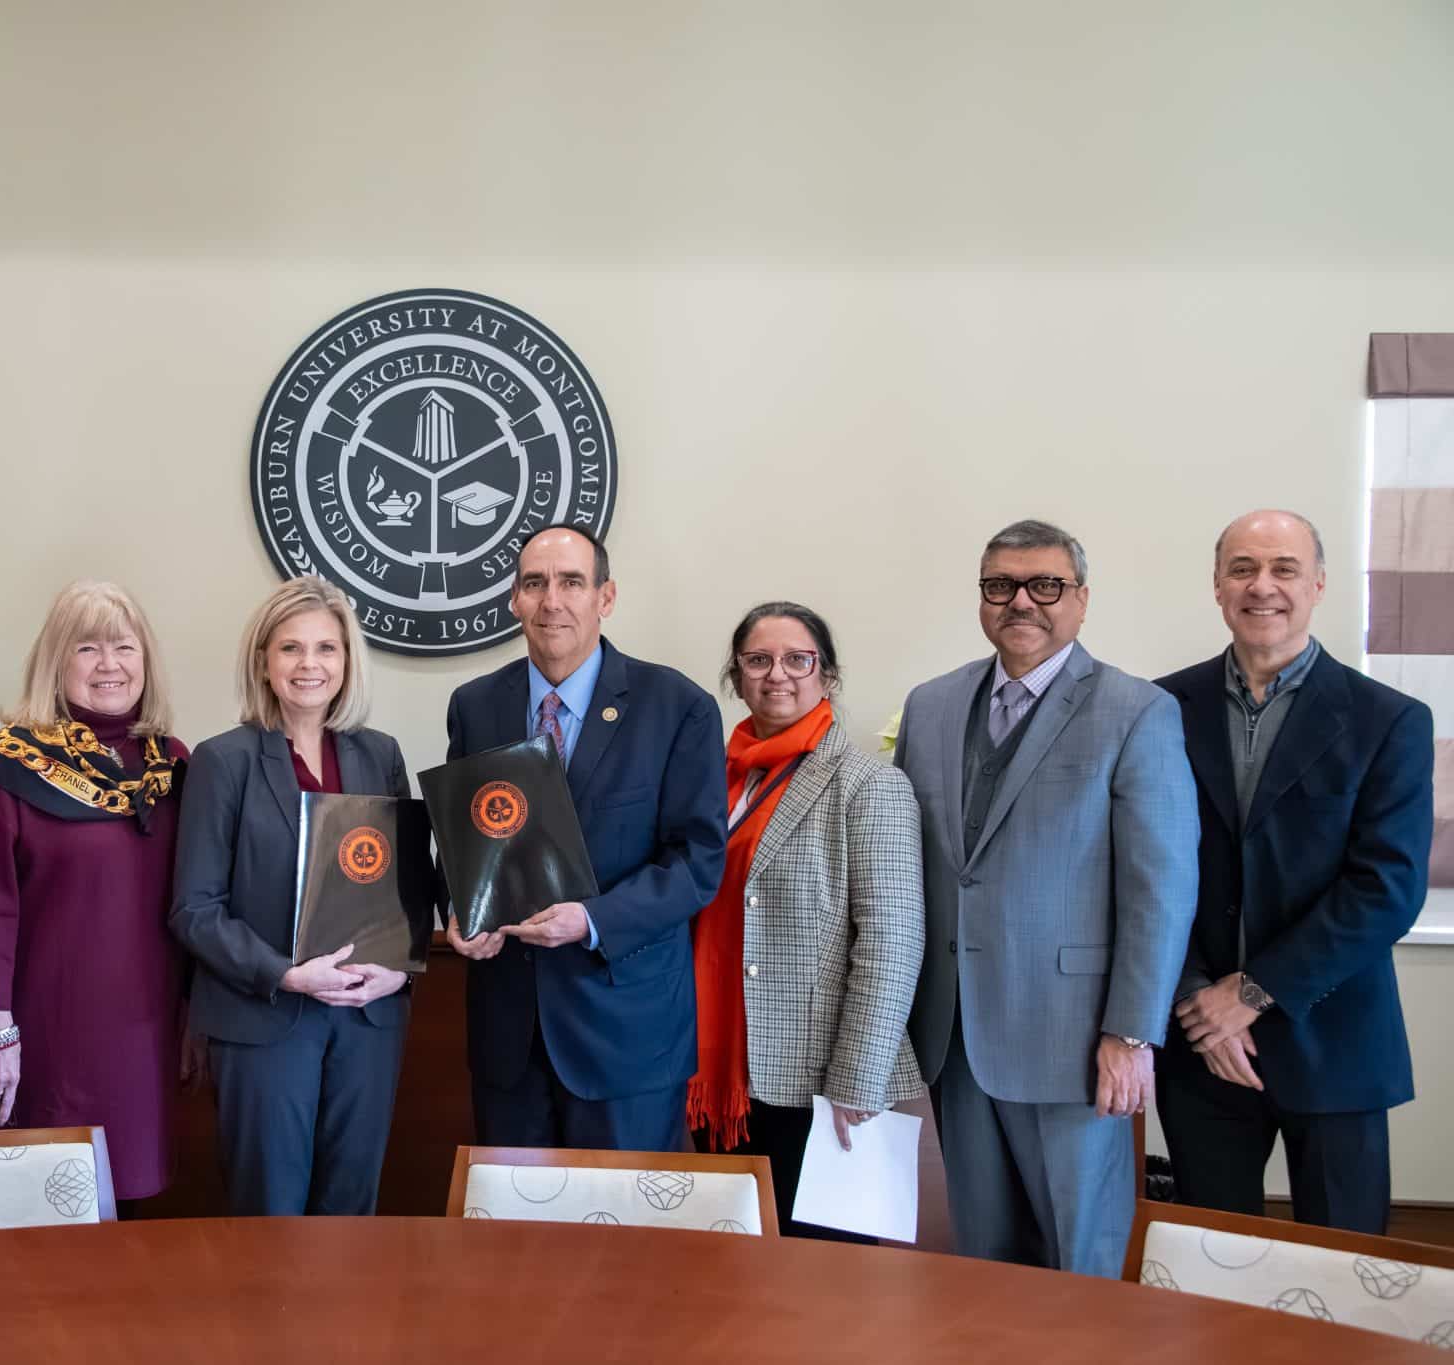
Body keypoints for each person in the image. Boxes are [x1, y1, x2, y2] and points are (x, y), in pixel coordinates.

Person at [895, 518, 1197, 1278]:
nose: (1020, 601)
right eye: (1001, 585)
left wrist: (1131, 1033)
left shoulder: (1136, 711)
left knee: (1080, 1259)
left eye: (1045, 585)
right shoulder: (931, 706)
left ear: (1082, 600)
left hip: (1074, 1040)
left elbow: (1160, 885)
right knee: (982, 1260)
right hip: (955, 1033)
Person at [1154, 509, 1432, 1234]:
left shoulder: (1389, 720)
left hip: (1335, 1043)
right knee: (1210, 1281)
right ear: (1217, 585)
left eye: (1283, 568)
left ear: (1318, 584)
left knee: (1344, 1283)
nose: (1262, 586)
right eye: (1243, 567)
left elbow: (1387, 889)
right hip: (1200, 1051)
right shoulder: (1155, 709)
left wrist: (1250, 993)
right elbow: (1140, 869)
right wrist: (1197, 1002)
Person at [445, 524, 726, 1152]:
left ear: (606, 597)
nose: (553, 601)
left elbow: (697, 862)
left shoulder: (676, 706)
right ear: (514, 600)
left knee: (625, 1244)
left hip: (626, 1037)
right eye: (535, 583)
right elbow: (461, 845)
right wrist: (460, 908)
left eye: (572, 582)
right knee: (513, 1240)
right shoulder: (475, 705)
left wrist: (591, 920)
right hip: (507, 1037)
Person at [169, 577, 413, 1215]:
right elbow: (194, 909)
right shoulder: (223, 762)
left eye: (327, 649)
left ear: (347, 661)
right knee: (270, 1213)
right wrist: (287, 974)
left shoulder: (380, 755)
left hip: (366, 1020)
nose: (311, 665)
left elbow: (407, 886)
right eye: (292, 649)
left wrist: (396, 972)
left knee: (351, 1207)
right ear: (264, 663)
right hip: (265, 1022)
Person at [0, 581, 193, 1207]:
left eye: (124, 647)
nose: (109, 665)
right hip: (47, 1031)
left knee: (137, 1201)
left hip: (148, 1029)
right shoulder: (6, 771)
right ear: (57, 662)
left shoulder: (176, 767)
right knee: (48, 1202)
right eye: (87, 648)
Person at [690, 602, 925, 1241]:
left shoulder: (867, 785)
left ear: (828, 674)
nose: (778, 675)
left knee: (821, 1285)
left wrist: (858, 1076)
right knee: (722, 1275)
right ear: (736, 676)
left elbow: (892, 940)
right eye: (758, 660)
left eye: (798, 659)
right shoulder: (709, 781)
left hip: (816, 1075)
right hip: (713, 1063)